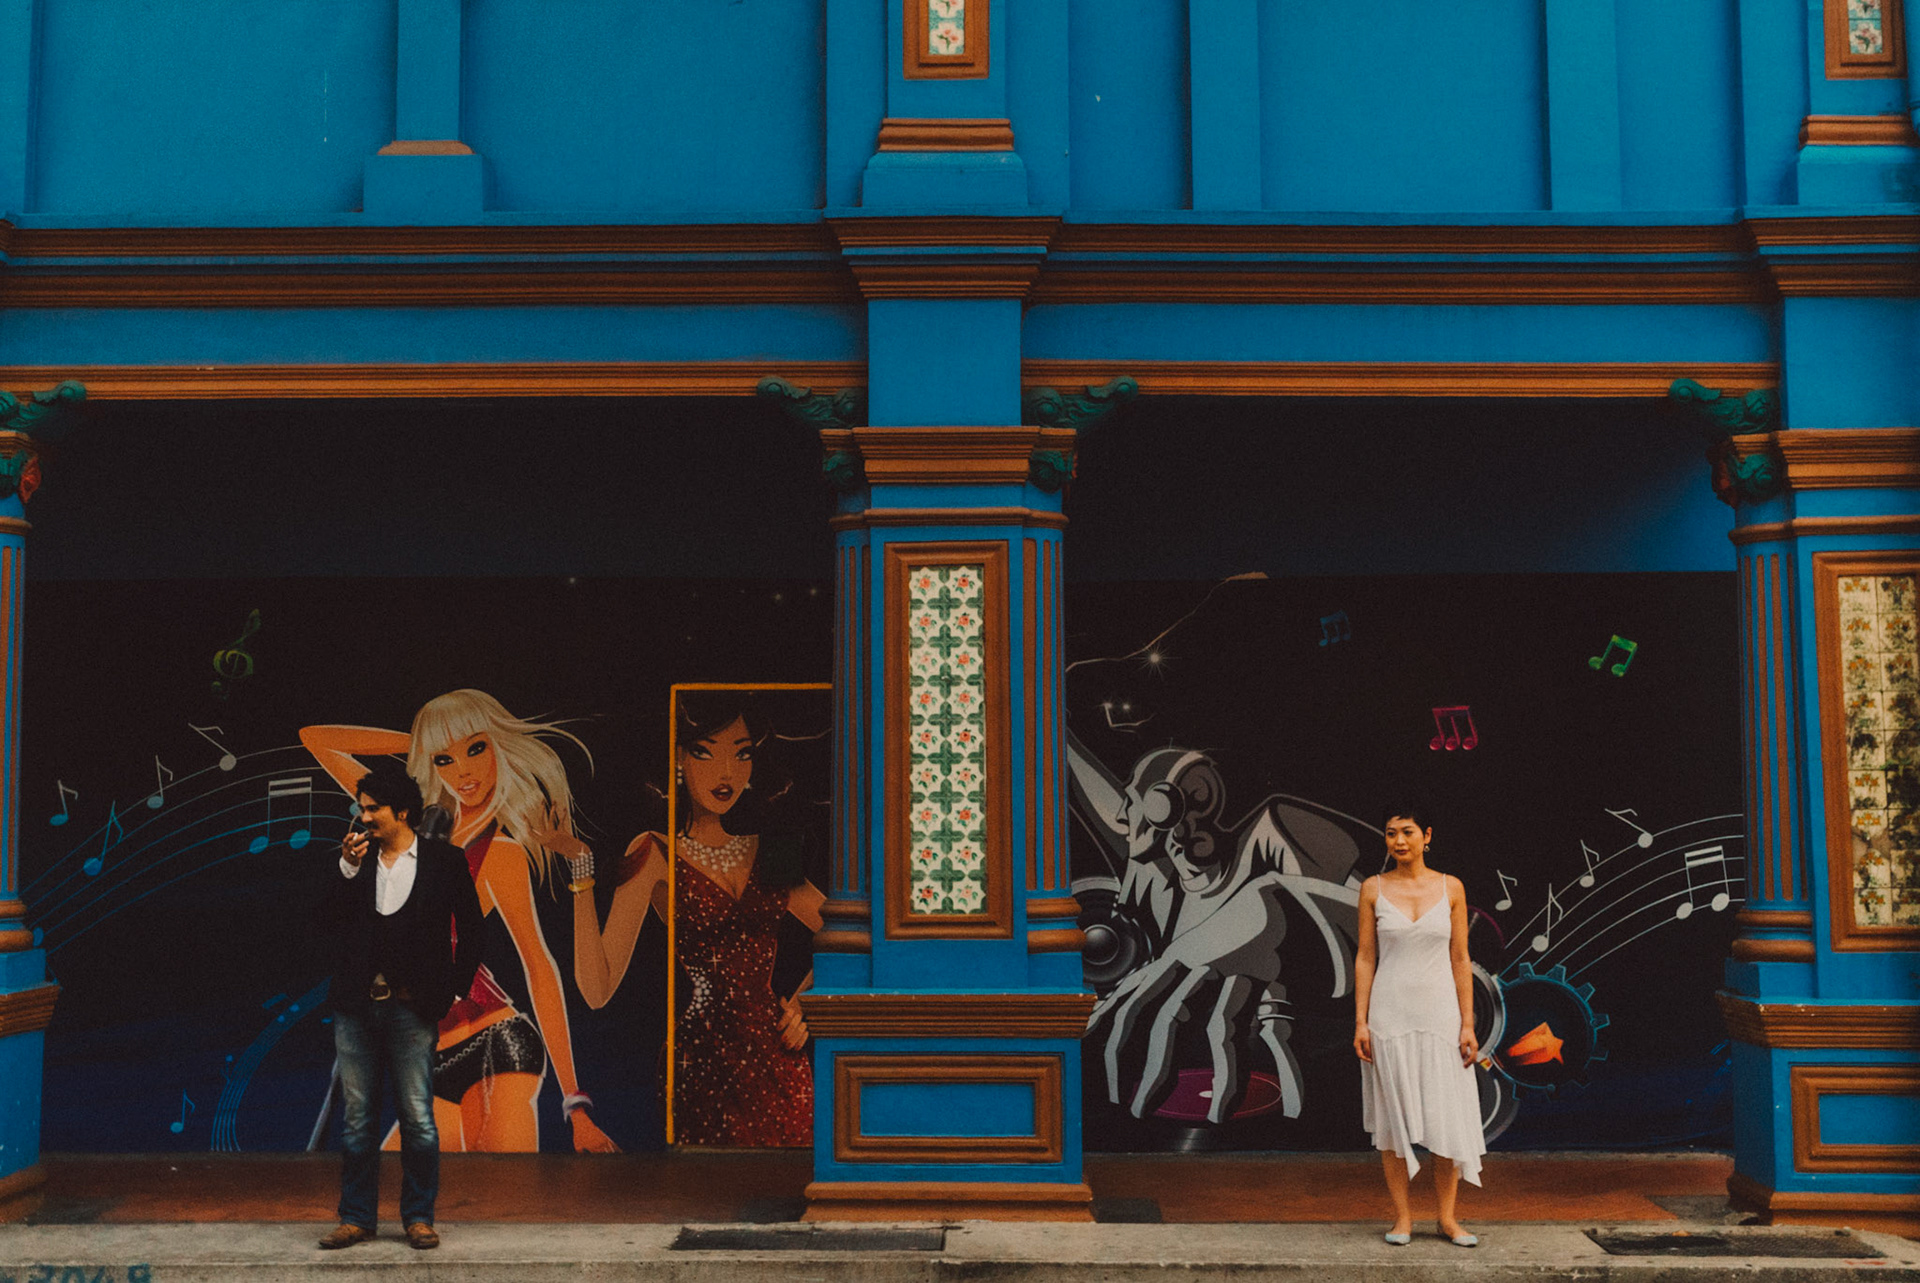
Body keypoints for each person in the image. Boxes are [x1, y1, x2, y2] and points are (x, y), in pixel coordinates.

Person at [302, 689, 617, 1154]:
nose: (463, 771)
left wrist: (576, 1104)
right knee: (395, 1178)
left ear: (498, 746)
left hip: (496, 1046)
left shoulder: (501, 853)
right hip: (430, 1057)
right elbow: (317, 739)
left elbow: (538, 966)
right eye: (444, 759)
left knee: (505, 1189)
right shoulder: (409, 825)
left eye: (476, 748)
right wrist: (422, 743)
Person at [571, 692, 824, 1145]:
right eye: (706, 752)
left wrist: (809, 1001)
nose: (726, 772)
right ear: (679, 758)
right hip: (701, 1066)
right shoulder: (654, 851)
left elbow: (844, 930)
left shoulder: (773, 847)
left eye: (741, 754)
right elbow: (597, 988)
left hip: (781, 1060)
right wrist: (581, 873)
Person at [315, 761, 482, 1252]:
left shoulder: (444, 862)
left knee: (418, 1119)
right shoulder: (355, 860)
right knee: (358, 1120)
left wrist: (453, 991)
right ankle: (356, 1218)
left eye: (374, 809)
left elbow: (473, 930)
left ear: (403, 812)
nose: (364, 817)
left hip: (414, 1010)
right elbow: (324, 922)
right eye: (362, 808)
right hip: (355, 1007)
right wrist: (347, 868)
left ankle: (418, 1218)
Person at [1352, 804, 1484, 1247]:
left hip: (1440, 1014)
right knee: (1393, 1121)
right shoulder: (1372, 888)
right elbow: (1365, 957)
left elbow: (1461, 958)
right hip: (1389, 1014)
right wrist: (1361, 1021)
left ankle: (1447, 1218)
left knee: (1445, 1116)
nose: (1399, 841)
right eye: (1391, 833)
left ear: (1427, 835)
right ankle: (1403, 1218)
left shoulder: (1451, 887)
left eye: (1407, 832)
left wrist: (1467, 1024)